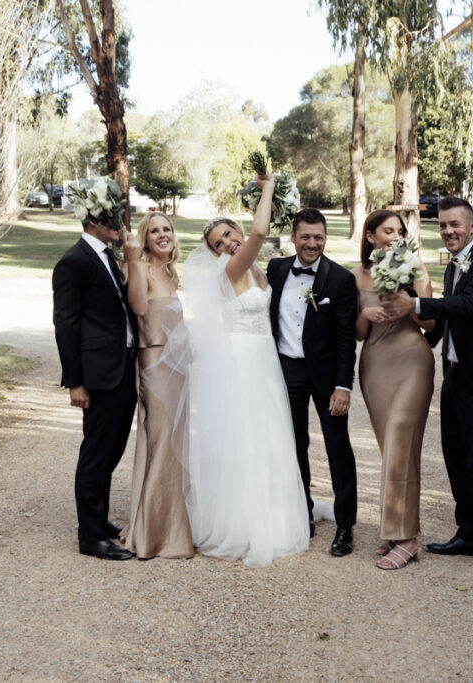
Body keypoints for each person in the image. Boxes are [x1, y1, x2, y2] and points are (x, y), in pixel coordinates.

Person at [165, 174, 309, 568]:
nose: (228, 244)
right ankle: (242, 525)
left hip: (264, 360)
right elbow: (261, 232)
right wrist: (270, 186)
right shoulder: (230, 269)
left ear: (236, 230)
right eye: (219, 244)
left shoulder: (258, 270)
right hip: (242, 363)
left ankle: (272, 516)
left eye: (230, 235)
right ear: (214, 254)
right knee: (245, 439)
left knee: (268, 438)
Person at [382, 197, 473, 578]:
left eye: (455, 225)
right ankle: (470, 534)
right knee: (456, 457)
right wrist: (416, 347)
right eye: (443, 226)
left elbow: (468, 306)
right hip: (455, 374)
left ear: (472, 227)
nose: (448, 232)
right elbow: (447, 322)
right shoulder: (453, 266)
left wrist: (416, 304)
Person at [267, 208, 359, 557]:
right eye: (305, 236)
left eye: (318, 237)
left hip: (325, 376)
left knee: (337, 448)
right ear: (293, 237)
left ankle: (345, 525)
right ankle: (301, 511)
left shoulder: (340, 280)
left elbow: (346, 339)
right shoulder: (276, 269)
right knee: (294, 446)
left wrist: (343, 386)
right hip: (285, 372)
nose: (312, 243)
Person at [52, 210, 139, 561]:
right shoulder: (73, 261)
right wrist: (75, 382)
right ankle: (89, 537)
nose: (121, 225)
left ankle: (99, 520)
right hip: (99, 375)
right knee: (95, 455)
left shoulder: (105, 256)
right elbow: (65, 323)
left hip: (122, 370)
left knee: (112, 451)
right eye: (113, 219)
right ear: (92, 223)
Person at [352, 210, 434, 570]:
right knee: (391, 449)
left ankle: (409, 537)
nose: (396, 236)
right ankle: (394, 528)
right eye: (388, 230)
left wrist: (409, 296)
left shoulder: (416, 269)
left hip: (413, 361)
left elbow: (430, 324)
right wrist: (364, 316)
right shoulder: (355, 276)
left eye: (401, 231)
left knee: (403, 438)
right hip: (375, 365)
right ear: (370, 235)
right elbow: (356, 333)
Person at [120, 212, 194, 560]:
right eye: (154, 231)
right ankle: (151, 533)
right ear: (144, 238)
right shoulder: (143, 269)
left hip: (178, 367)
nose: (163, 235)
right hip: (155, 365)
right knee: (161, 440)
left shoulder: (169, 273)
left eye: (167, 229)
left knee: (175, 441)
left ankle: (172, 525)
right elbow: (137, 306)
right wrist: (134, 260)